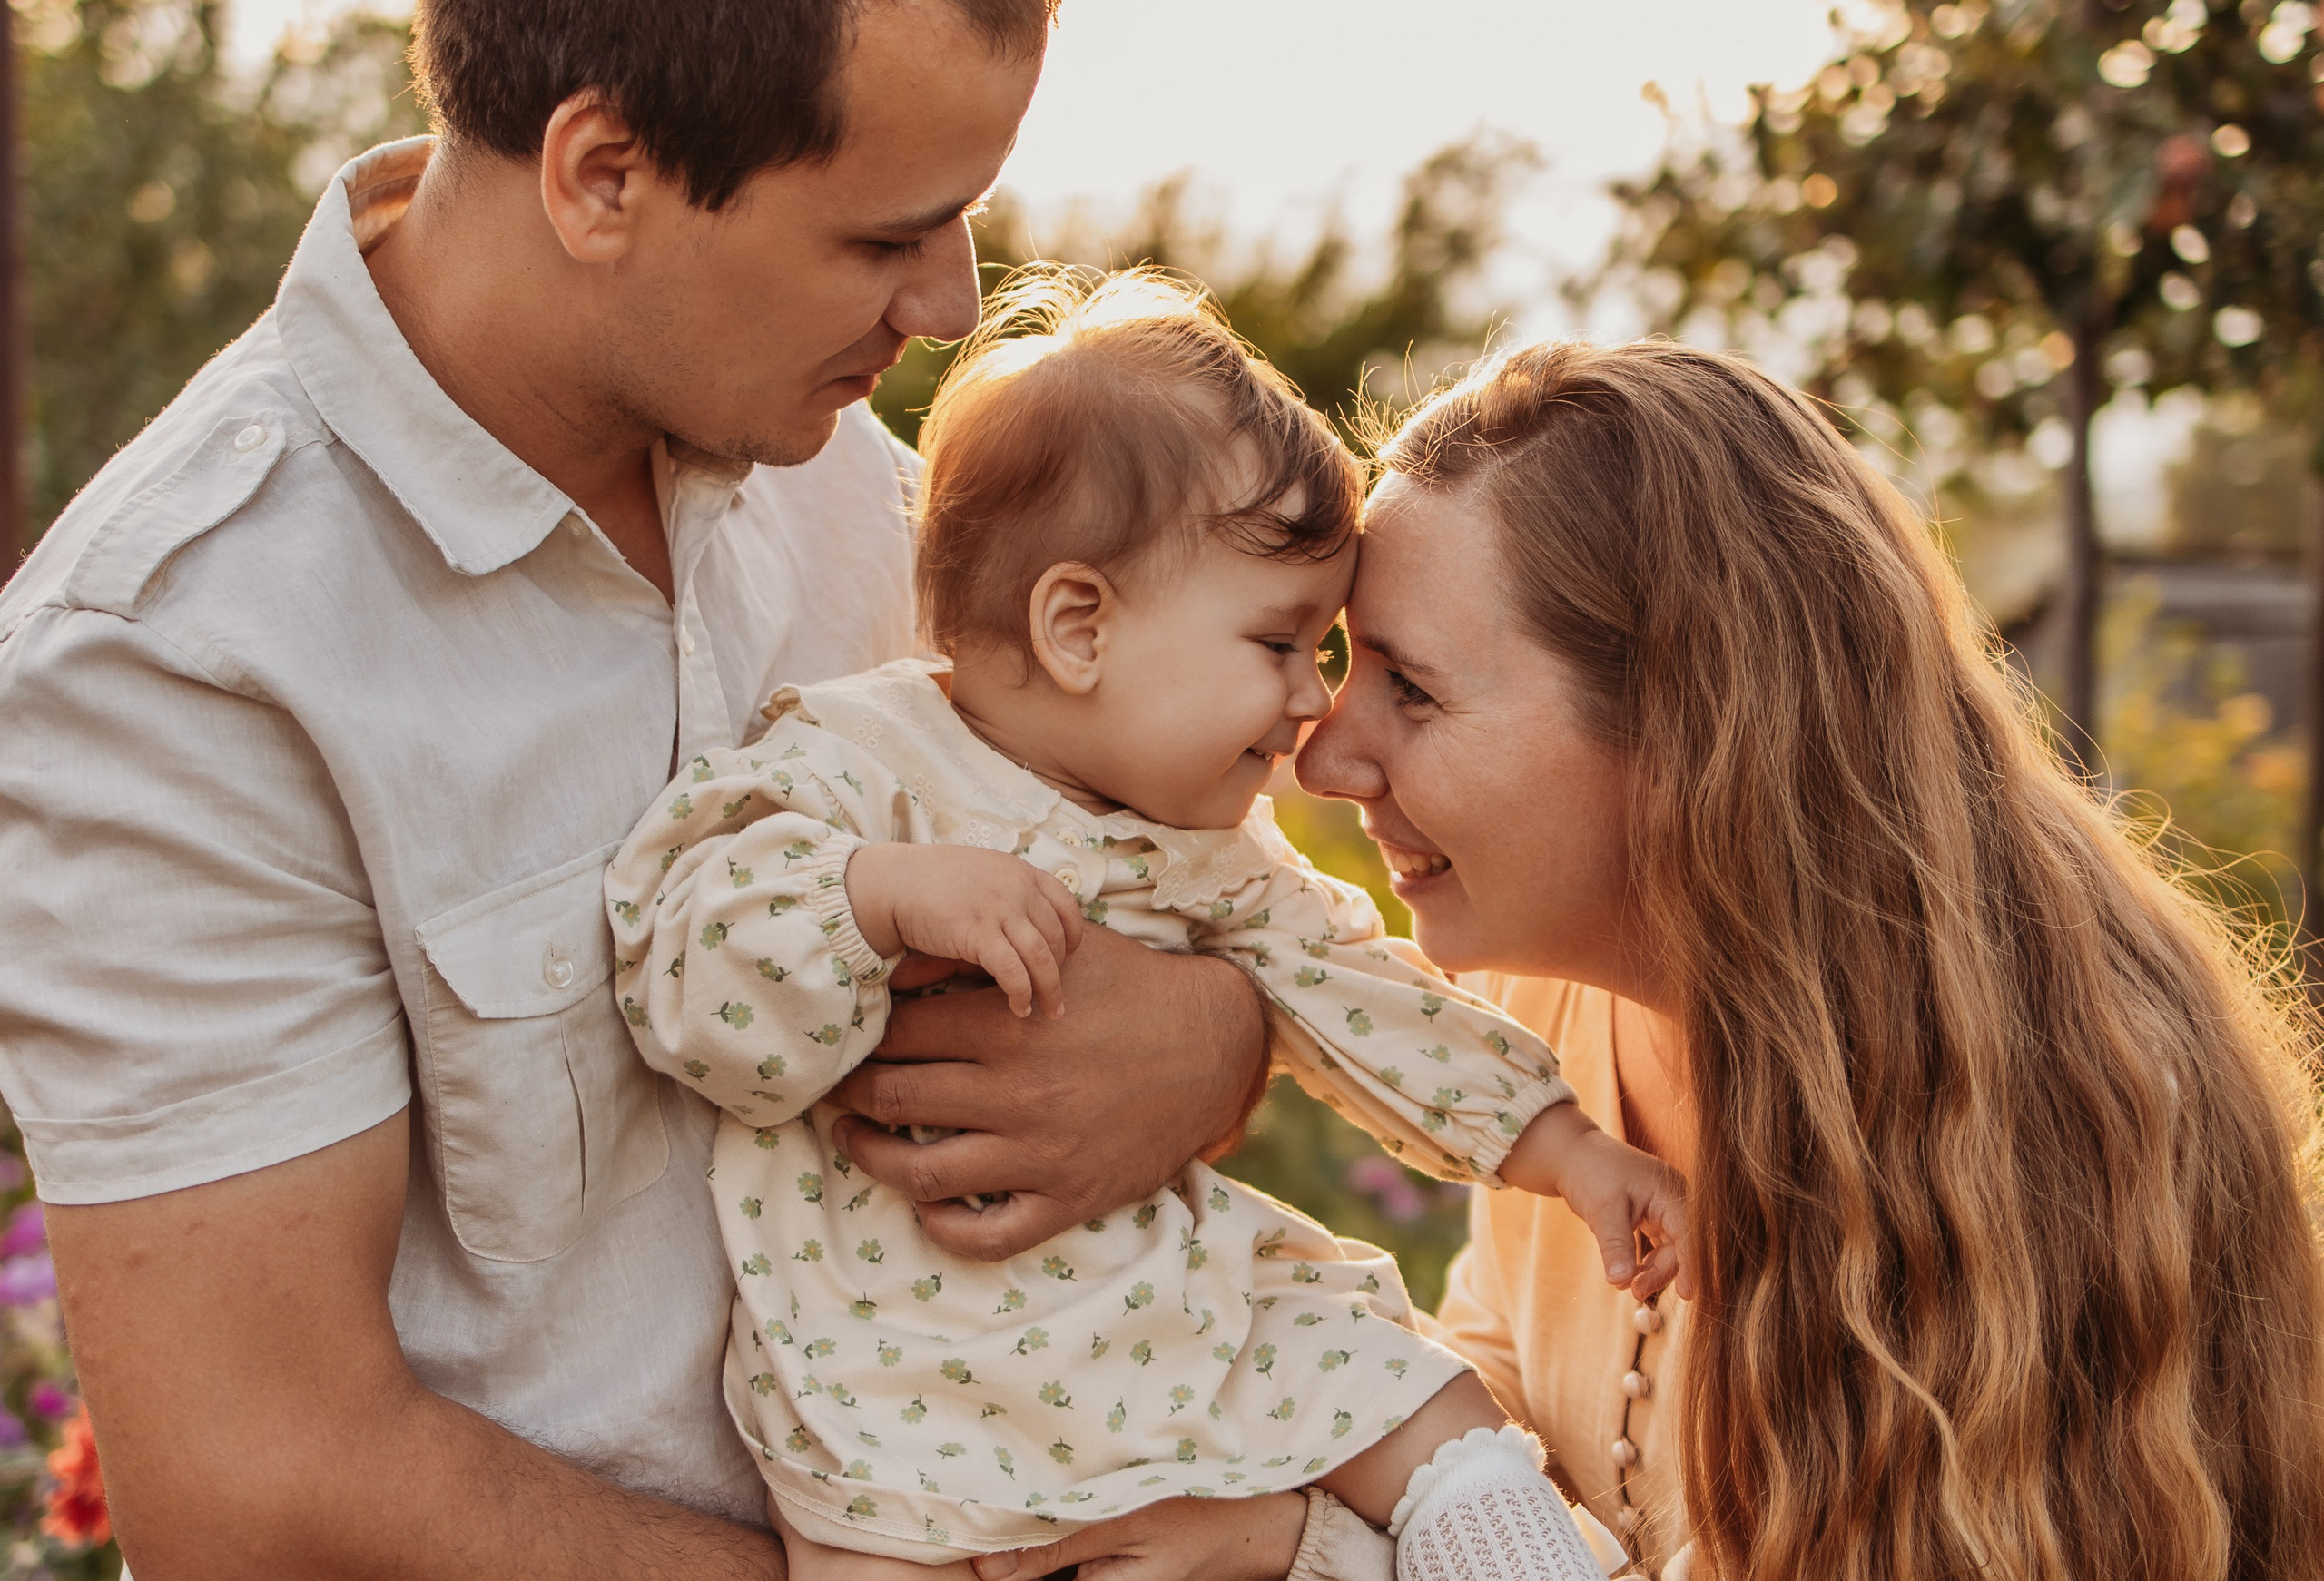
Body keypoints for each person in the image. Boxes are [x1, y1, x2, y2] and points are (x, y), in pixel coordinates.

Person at [0, 4, 1285, 1575]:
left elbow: (1193, 881)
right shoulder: (173, 663)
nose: (952, 306)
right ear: (602, 176)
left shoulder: (839, 469)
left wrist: (1211, 1041)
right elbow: (260, 1481)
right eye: (887, 235)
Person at [986, 338, 2324, 1581]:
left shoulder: (2014, 1138)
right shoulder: (1551, 1011)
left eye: (1415, 689)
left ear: (1689, 733)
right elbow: (1496, 1408)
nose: (1324, 755)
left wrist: (1304, 1546)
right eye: (1342, 665)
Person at [605, 269, 1683, 1579]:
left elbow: (1366, 993)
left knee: (1413, 1394)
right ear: (1079, 627)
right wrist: (871, 897)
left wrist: (1565, 1147)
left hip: (1167, 1309)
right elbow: (687, 974)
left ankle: (1512, 1553)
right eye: (1282, 643)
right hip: (891, 1361)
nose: (1313, 706)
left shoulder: (1219, 855)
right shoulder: (854, 764)